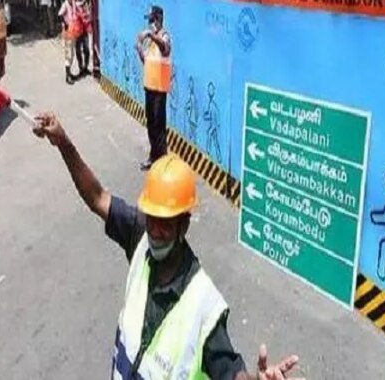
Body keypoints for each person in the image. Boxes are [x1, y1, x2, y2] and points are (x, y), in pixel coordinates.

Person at [33, 114, 303, 380]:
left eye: (166, 223)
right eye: (152, 218)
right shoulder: (140, 236)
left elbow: (231, 372)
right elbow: (97, 197)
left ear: (184, 225)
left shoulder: (203, 304)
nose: (155, 231)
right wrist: (64, 143)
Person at [136, 5, 171, 171]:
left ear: (158, 19)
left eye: (151, 20)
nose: (150, 23)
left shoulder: (164, 36)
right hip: (149, 87)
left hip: (159, 90)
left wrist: (151, 35)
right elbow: (148, 62)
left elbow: (165, 50)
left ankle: (162, 160)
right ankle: (153, 156)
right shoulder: (151, 42)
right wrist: (140, 51)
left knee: (159, 126)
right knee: (150, 124)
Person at [58, 0, 81, 85]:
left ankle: (70, 73)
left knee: (72, 55)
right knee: (69, 54)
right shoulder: (65, 5)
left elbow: (80, 5)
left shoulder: (73, 3)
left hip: (73, 32)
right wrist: (65, 23)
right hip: (68, 33)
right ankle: (67, 76)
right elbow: (60, 15)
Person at [74, 0, 91, 77]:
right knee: (78, 50)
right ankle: (81, 68)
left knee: (86, 50)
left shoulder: (84, 5)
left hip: (84, 30)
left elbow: (87, 14)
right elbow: (82, 2)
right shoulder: (75, 3)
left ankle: (85, 67)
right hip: (77, 30)